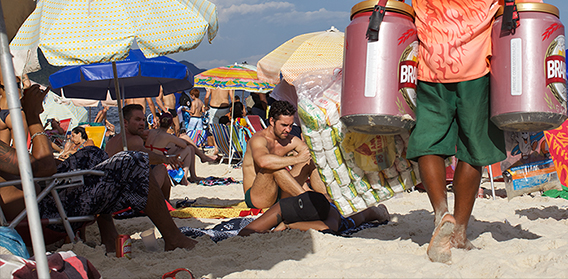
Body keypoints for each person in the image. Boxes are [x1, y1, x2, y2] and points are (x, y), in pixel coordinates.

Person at [368, 0, 542, 263]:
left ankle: (439, 214)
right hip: (480, 64)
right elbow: (528, 3)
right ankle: (460, 231)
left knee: (428, 141)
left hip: (429, 60)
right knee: (472, 150)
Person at [0, 85, 197, 252]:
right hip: (42, 218)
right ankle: (173, 238)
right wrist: (33, 117)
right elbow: (44, 167)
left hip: (46, 202)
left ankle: (109, 236)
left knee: (92, 154)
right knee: (133, 160)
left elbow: (39, 168)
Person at [242, 101, 327, 211]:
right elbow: (263, 162)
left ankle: (326, 198)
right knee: (272, 167)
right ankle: (307, 200)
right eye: (284, 125)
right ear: (272, 121)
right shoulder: (259, 139)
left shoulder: (289, 139)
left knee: (309, 160)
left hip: (280, 191)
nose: (288, 129)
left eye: (291, 125)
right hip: (258, 196)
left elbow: (309, 153)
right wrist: (296, 158)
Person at [238, 191, 389, 236]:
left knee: (362, 215)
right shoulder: (283, 206)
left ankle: (379, 211)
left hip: (334, 211)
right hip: (317, 200)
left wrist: (289, 225)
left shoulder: (332, 214)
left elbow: (329, 228)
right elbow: (246, 232)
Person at [142, 112, 217, 185]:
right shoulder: (169, 137)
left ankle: (194, 175)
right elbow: (184, 145)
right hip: (161, 165)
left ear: (159, 122)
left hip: (149, 162)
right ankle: (185, 178)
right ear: (171, 124)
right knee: (188, 148)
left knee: (189, 145)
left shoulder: (149, 132)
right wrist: (178, 141)